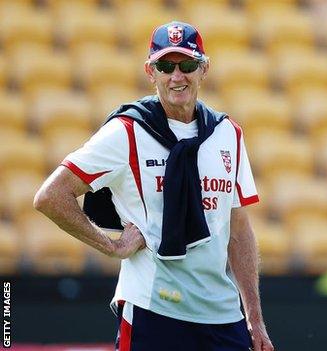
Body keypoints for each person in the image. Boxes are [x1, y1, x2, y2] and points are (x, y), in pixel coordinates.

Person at [34, 21, 273, 351]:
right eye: (166, 66)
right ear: (151, 71)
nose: (177, 76)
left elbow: (239, 229)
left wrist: (255, 318)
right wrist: (110, 245)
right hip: (153, 311)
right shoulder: (127, 131)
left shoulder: (226, 133)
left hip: (222, 316)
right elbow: (50, 196)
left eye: (188, 65)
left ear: (204, 69)